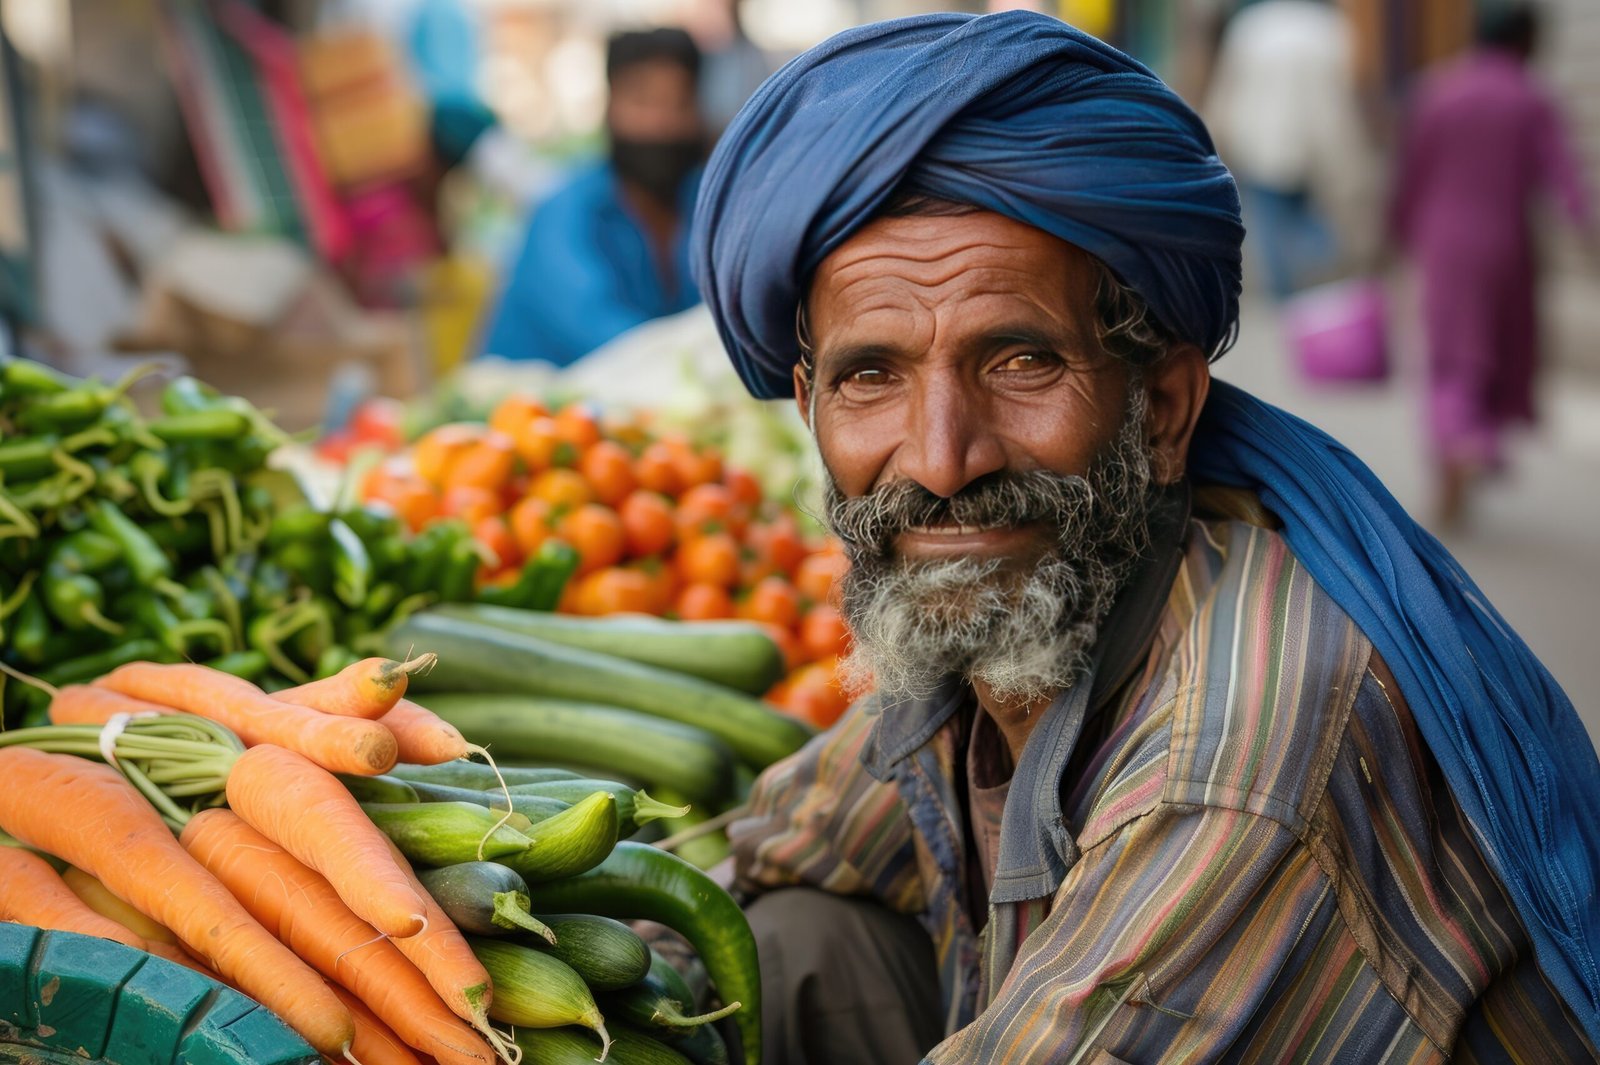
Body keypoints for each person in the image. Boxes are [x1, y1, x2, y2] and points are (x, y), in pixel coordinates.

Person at [689, 11, 1600, 1064]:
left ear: (1162, 408)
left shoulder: (1237, 756)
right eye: (871, 376)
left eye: (1020, 362)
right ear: (810, 408)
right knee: (782, 943)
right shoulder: (1000, 627)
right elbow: (778, 842)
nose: (940, 461)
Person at [1391, 3, 1595, 529]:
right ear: (1526, 41)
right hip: (1506, 245)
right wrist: (1585, 226)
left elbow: (1410, 172)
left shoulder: (1436, 90)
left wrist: (1394, 232)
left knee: (1448, 353)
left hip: (1443, 242)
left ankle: (1454, 451)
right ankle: (1472, 439)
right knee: (1487, 351)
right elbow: (1563, 175)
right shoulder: (1530, 98)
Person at [482, 29, 705, 366]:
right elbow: (602, 336)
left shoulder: (703, 205)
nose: (660, 123)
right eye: (643, 103)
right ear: (610, 105)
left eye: (678, 103)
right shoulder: (564, 213)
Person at [1203, 0, 1373, 300]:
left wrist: (1216, 133)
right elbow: (1342, 92)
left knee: (1270, 223)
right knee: (1307, 215)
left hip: (1260, 140)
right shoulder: (1328, 28)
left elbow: (1229, 87)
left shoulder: (1251, 26)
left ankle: (1284, 298)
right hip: (1313, 142)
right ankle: (1317, 285)